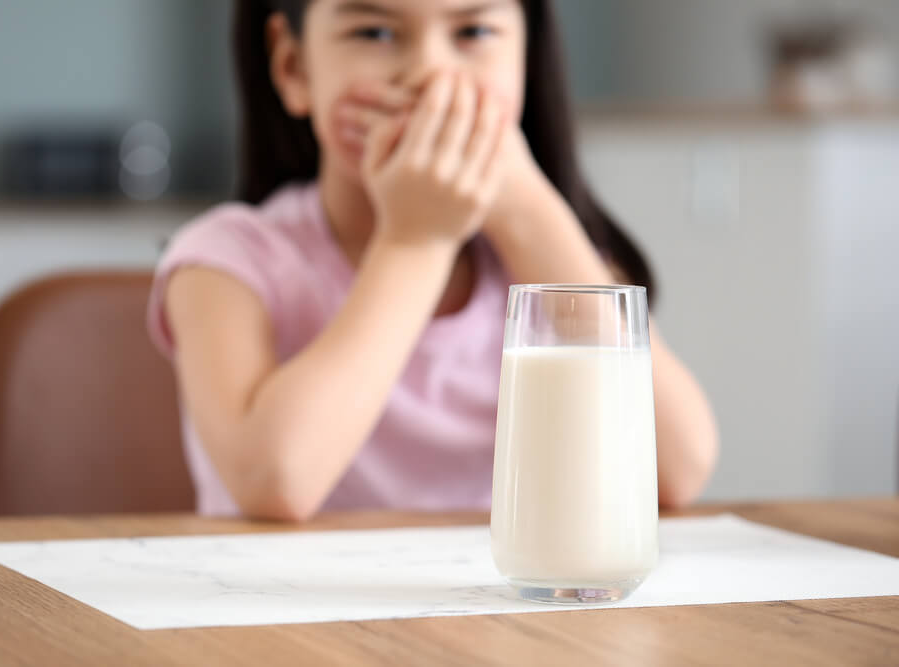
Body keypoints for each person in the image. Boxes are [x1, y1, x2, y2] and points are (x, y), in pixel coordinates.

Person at [147, 0, 719, 521]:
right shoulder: (224, 262)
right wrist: (416, 241)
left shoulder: (546, 259)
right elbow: (275, 481)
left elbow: (678, 467)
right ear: (294, 67)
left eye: (472, 31)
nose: (429, 75)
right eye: (373, 32)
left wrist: (527, 210)